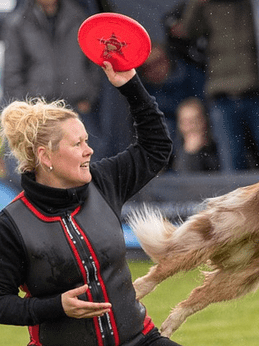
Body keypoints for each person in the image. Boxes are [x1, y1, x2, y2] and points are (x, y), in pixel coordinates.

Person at [0, 62, 181, 346]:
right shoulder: (12, 224)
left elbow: (155, 147)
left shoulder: (103, 181)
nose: (89, 150)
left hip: (140, 340)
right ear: (45, 157)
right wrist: (56, 306)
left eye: (86, 140)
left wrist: (130, 85)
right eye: (77, 144)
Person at [2, 0, 103, 157]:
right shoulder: (19, 22)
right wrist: (23, 109)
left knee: (83, 162)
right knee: (40, 165)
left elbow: (94, 61)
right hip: (39, 113)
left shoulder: (79, 16)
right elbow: (12, 72)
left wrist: (89, 95)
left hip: (77, 108)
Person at [170, 0, 259, 172]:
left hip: (255, 90)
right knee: (231, 159)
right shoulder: (208, 8)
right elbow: (186, 31)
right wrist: (196, 3)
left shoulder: (250, 6)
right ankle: (235, 198)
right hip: (222, 93)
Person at [173, 97, 220, 172]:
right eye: (185, 122)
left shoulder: (220, 149)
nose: (191, 127)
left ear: (205, 121)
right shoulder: (173, 152)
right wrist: (190, 154)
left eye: (195, 120)